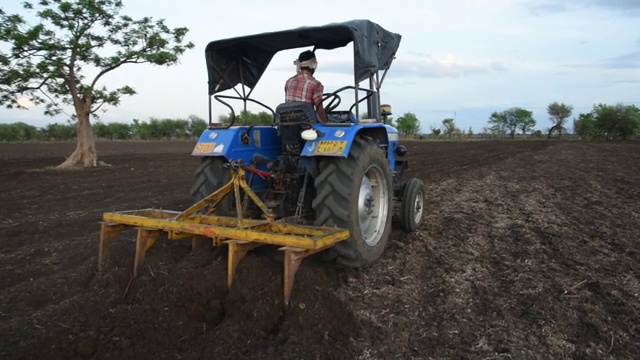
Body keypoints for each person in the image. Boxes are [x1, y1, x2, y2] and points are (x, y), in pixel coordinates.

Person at [284, 50, 328, 123]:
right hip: (308, 126)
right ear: (313, 64)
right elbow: (319, 110)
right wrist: (327, 124)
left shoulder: (289, 81)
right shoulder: (315, 84)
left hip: (288, 124)